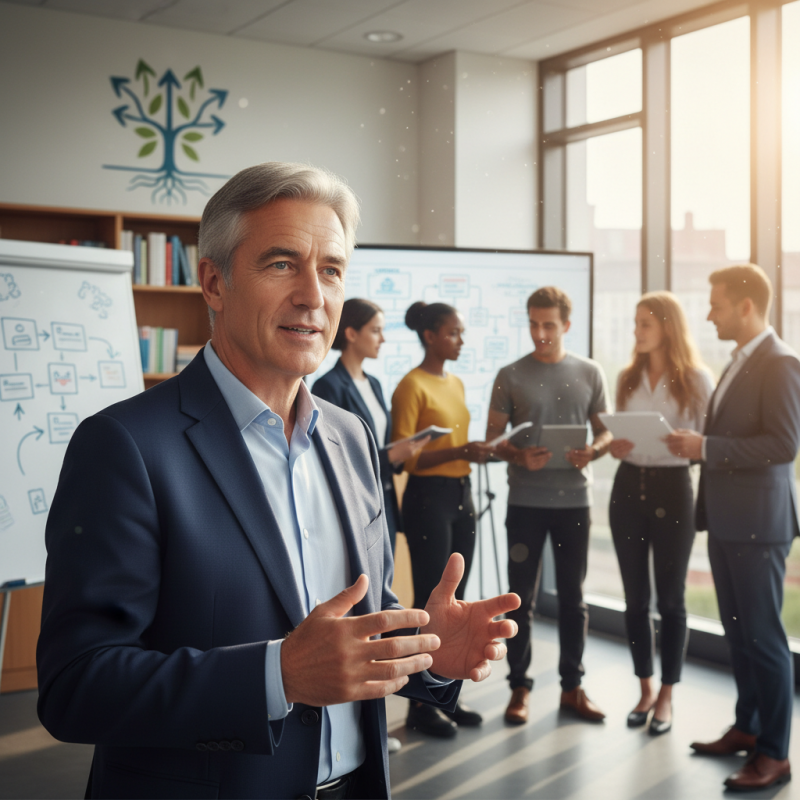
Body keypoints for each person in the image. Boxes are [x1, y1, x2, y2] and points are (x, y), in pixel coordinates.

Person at [36, 162, 520, 800]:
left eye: (331, 270)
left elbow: (353, 628)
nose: (313, 297)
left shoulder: (351, 437)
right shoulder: (126, 447)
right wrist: (277, 676)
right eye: (282, 264)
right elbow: (76, 686)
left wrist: (425, 651)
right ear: (214, 281)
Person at [667, 265, 800, 792]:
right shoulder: (741, 361)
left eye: (716, 304)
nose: (708, 314)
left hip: (758, 526)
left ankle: (775, 753)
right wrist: (702, 443)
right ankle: (748, 728)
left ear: (746, 306)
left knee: (764, 639)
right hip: (728, 521)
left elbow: (784, 445)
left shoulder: (781, 362)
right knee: (741, 636)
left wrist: (707, 449)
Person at [486, 286, 612, 726]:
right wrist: (518, 455)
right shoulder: (510, 374)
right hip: (525, 502)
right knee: (520, 599)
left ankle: (572, 688)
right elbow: (493, 442)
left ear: (566, 326)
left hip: (574, 502)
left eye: (549, 325)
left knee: (575, 599)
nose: (540, 333)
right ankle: (519, 687)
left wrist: (593, 451)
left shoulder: (591, 372)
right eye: (534, 324)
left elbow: (606, 433)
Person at [607, 292, 713, 735]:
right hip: (628, 488)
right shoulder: (628, 376)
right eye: (634, 323)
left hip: (674, 488)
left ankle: (667, 696)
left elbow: (709, 442)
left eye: (644, 323)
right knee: (636, 601)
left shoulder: (697, 379)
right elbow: (617, 434)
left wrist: (689, 443)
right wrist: (614, 446)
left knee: (671, 600)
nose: (636, 331)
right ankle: (645, 689)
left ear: (667, 326)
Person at [391, 301, 493, 739]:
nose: (461, 340)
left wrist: (472, 454)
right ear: (430, 335)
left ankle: (444, 692)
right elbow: (406, 457)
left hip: (460, 493)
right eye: (454, 332)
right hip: (428, 497)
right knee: (432, 602)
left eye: (462, 332)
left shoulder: (456, 382)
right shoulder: (411, 385)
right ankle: (420, 707)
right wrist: (459, 451)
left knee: (456, 601)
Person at [312, 298, 429, 556]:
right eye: (376, 331)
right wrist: (390, 456)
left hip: (382, 496)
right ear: (351, 333)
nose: (383, 339)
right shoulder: (327, 387)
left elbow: (376, 441)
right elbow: (332, 457)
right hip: (353, 502)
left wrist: (398, 454)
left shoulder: (373, 383)